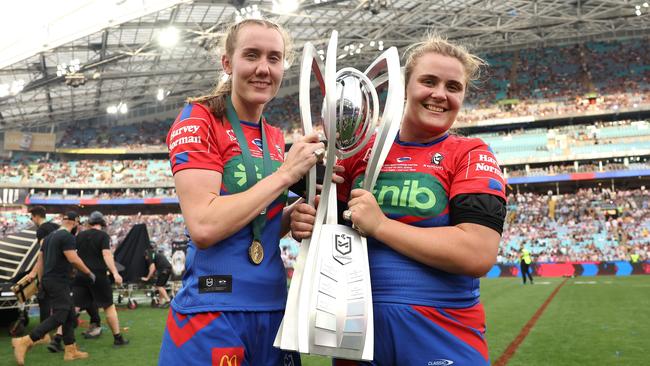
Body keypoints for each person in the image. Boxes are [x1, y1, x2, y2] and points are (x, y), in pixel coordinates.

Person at [290, 34, 507, 365]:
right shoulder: (356, 152)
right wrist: (307, 220)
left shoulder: (469, 153)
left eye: (454, 87)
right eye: (429, 81)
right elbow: (332, 228)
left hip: (442, 331)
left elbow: (477, 253)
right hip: (356, 333)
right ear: (404, 87)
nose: (440, 94)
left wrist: (381, 226)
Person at [158, 18, 326, 365]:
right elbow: (204, 226)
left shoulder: (275, 137)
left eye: (274, 58)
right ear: (227, 63)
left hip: (275, 308)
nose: (263, 68)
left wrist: (293, 216)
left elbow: (256, 222)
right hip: (214, 309)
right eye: (251, 55)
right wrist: (285, 175)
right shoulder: (199, 119)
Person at [12, 211, 96, 364]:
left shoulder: (50, 237)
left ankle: (71, 350)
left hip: (50, 280)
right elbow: (73, 258)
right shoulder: (67, 237)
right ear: (75, 222)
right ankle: (26, 340)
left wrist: (38, 278)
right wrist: (88, 272)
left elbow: (41, 259)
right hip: (59, 281)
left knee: (70, 315)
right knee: (61, 314)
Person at [72, 211, 129, 346]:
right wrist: (115, 273)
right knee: (109, 307)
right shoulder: (103, 236)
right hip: (98, 275)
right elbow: (107, 255)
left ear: (90, 223)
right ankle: (117, 338)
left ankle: (58, 338)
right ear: (102, 223)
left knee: (74, 307)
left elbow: (75, 256)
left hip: (81, 275)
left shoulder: (79, 235)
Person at [26, 206, 60, 325]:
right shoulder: (56, 226)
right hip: (61, 269)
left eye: (32, 217)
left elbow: (44, 253)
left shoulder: (41, 230)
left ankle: (43, 330)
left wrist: (35, 272)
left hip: (49, 270)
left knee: (44, 299)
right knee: (61, 300)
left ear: (36, 216)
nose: (32, 220)